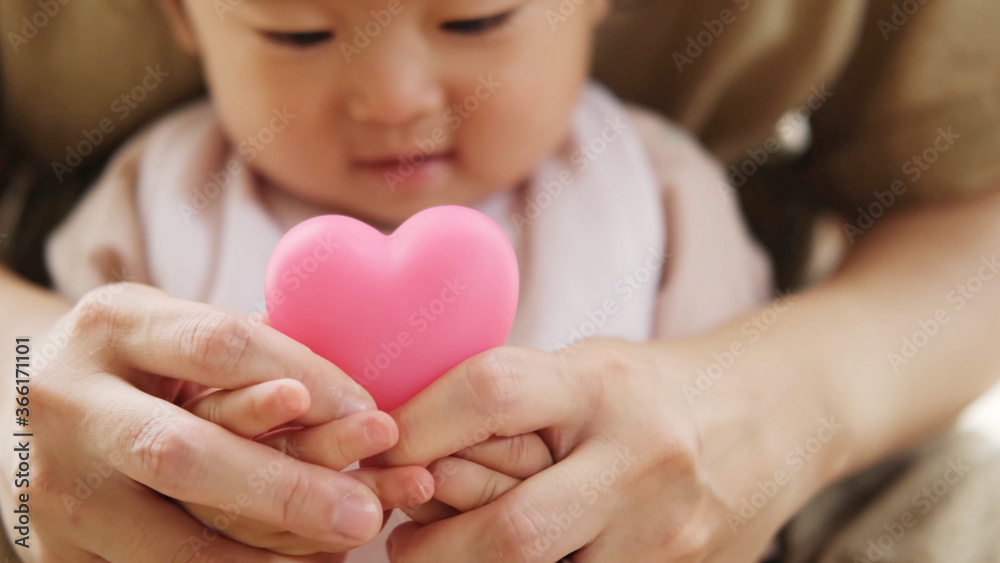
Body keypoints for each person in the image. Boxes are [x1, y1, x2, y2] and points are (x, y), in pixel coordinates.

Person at [2, 1, 999, 563]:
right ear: (182, 17)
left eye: (476, 19)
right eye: (297, 33)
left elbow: (717, 420)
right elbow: (64, 391)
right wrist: (45, 426)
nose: (394, 98)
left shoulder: (647, 183)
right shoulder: (156, 191)